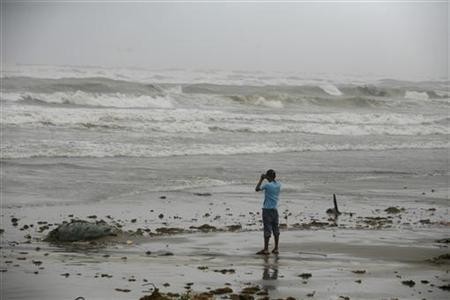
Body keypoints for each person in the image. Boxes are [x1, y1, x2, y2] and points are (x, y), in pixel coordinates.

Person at [255, 169, 281, 255]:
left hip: (267, 209)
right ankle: (276, 248)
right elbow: (273, 182)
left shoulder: (267, 185)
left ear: (268, 176)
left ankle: (266, 249)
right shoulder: (278, 185)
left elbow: (257, 189)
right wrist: (267, 177)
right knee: (275, 228)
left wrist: (261, 179)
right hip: (274, 209)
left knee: (267, 229)